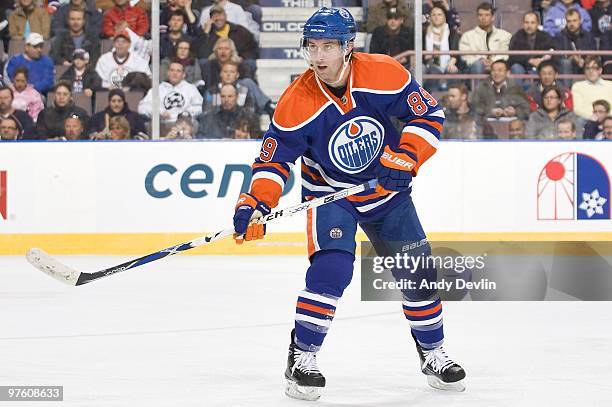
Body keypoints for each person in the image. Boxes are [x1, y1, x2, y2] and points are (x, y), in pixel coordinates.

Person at [230, 7, 465, 401]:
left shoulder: (383, 72)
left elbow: (429, 116)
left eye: (328, 46)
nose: (319, 56)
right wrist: (255, 202)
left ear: (348, 46)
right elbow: (273, 161)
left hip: (386, 192)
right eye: (312, 46)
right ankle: (302, 357)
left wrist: (408, 156)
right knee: (332, 269)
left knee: (417, 271)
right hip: (329, 194)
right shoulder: (296, 102)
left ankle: (432, 352)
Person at [138, 61, 203, 134]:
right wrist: (158, 113)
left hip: (185, 126)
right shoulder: (157, 89)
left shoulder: (191, 89)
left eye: (178, 71)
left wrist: (186, 113)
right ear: (168, 73)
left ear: (183, 75)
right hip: (161, 125)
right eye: (172, 70)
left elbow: (199, 107)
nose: (175, 73)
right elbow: (143, 107)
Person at [459, 2, 511, 74]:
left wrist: (493, 61)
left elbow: (505, 54)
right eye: (480, 15)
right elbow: (465, 57)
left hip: (497, 66)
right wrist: (481, 60)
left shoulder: (505, 35)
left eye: (487, 15)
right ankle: (477, 85)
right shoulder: (467, 36)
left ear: (493, 17)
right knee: (478, 65)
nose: (483, 18)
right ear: (477, 17)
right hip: (475, 67)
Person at [421, 5, 463, 91]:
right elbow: (421, 52)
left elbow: (455, 52)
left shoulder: (452, 32)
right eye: (434, 15)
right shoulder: (424, 32)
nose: (436, 17)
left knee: (453, 72)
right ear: (430, 17)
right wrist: (426, 57)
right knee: (432, 72)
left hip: (449, 64)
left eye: (439, 14)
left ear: (444, 17)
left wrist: (451, 63)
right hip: (430, 65)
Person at [508, 12, 555, 78]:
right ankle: (517, 88)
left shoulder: (545, 36)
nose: (529, 26)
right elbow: (512, 56)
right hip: (523, 66)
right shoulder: (517, 36)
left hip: (541, 65)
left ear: (538, 24)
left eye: (532, 23)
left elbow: (552, 51)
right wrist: (529, 60)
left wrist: (540, 61)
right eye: (526, 22)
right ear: (523, 24)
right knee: (516, 68)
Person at [553, 8, 597, 77]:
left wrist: (584, 60)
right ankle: (566, 88)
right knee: (565, 63)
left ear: (580, 21)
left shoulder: (588, 36)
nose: (571, 24)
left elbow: (594, 53)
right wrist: (572, 58)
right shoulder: (559, 37)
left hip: (585, 64)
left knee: (592, 63)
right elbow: (558, 57)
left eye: (574, 21)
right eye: (569, 21)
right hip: (566, 67)